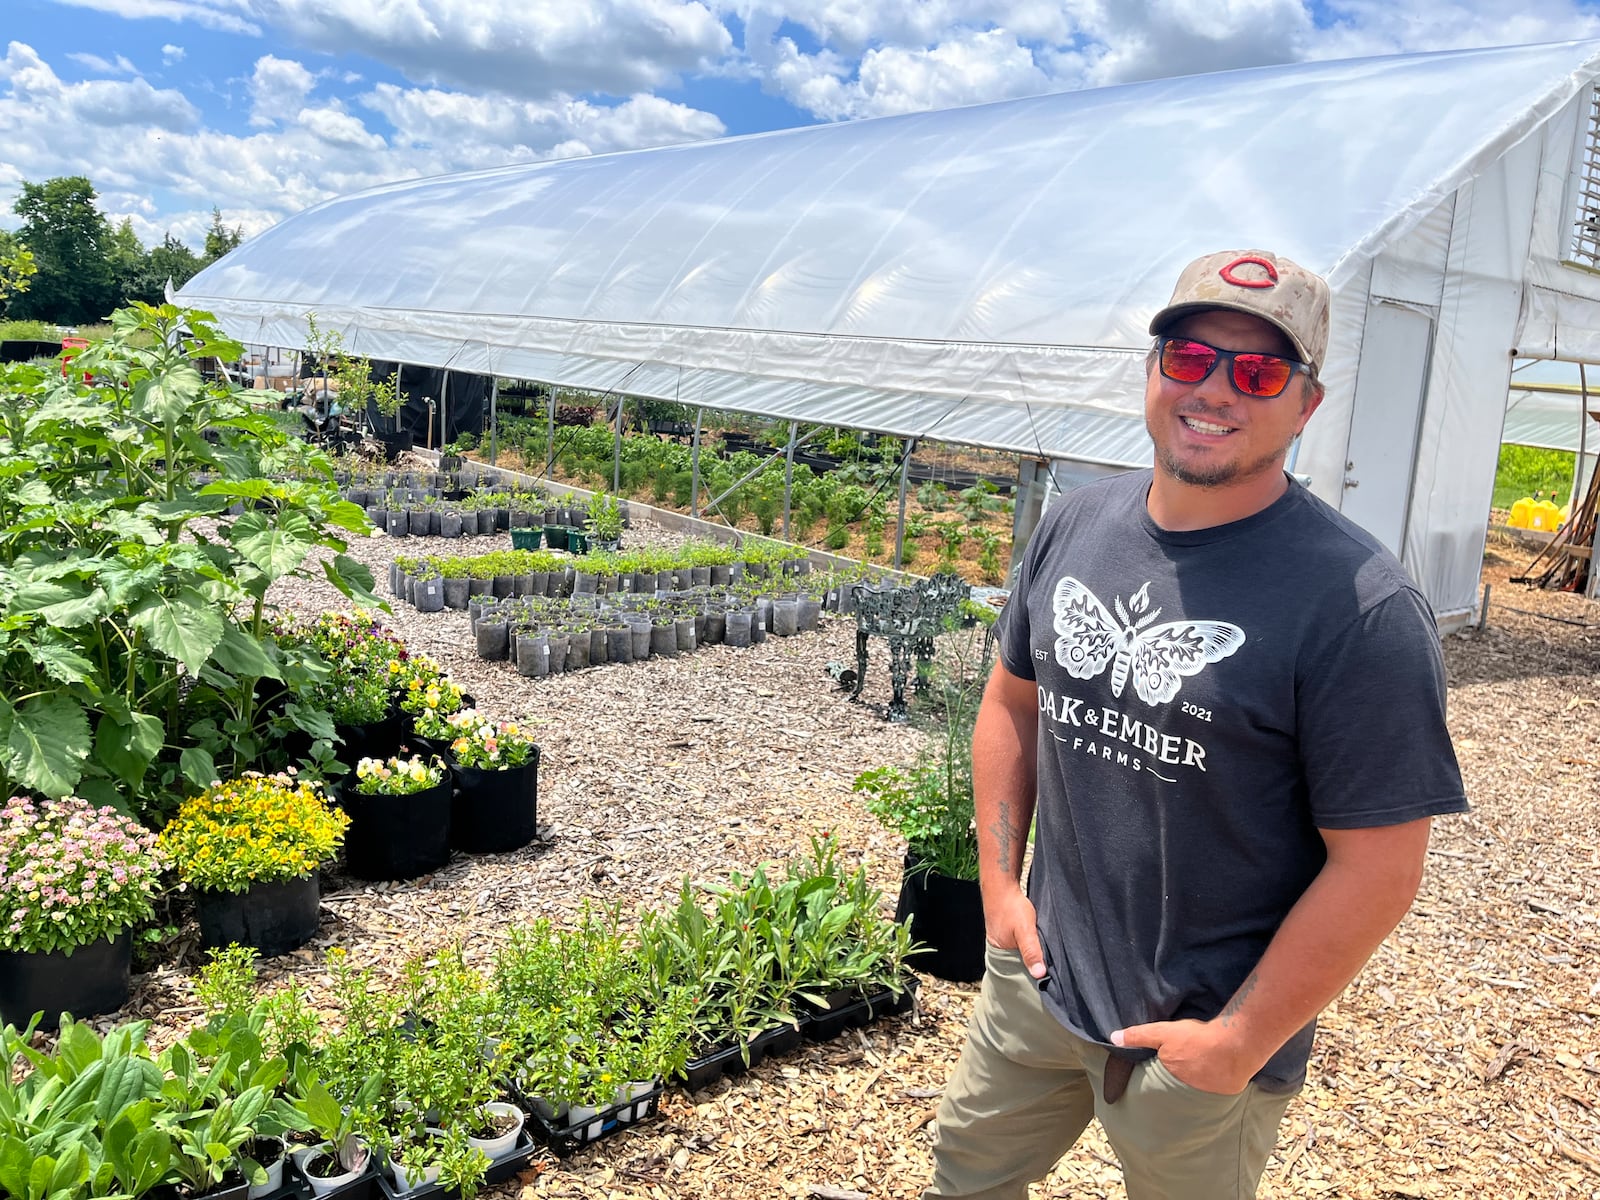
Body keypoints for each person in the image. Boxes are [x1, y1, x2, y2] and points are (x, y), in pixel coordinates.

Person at [924, 249, 1468, 1200]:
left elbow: (1380, 866)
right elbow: (1013, 700)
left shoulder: (1357, 607)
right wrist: (1000, 893)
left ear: (1306, 405)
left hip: (1202, 1039)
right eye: (1189, 357)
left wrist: (1237, 1042)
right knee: (965, 1181)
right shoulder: (1076, 524)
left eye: (1258, 371)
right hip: (1038, 983)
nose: (1215, 388)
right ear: (1153, 370)